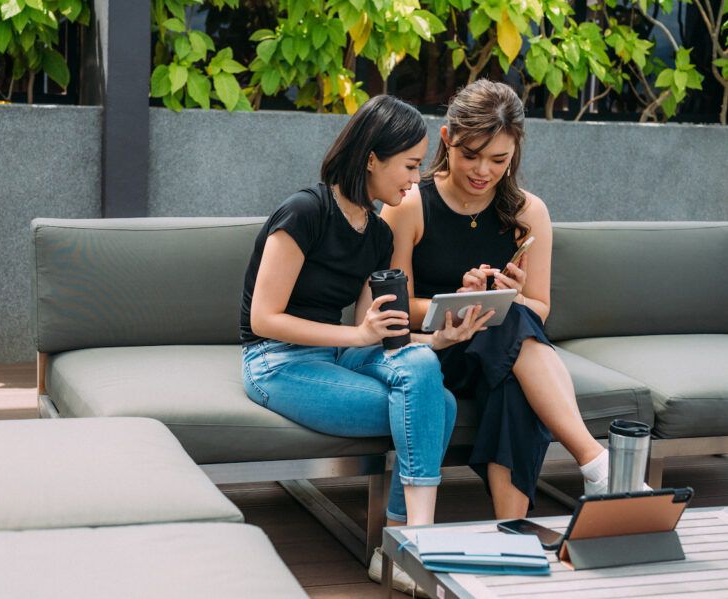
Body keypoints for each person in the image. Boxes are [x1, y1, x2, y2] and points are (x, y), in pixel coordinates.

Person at [239, 94, 491, 595]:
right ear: (372, 158)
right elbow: (264, 319)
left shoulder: (377, 234)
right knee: (435, 406)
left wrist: (438, 338)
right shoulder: (304, 212)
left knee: (426, 375)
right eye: (410, 165)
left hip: (334, 354)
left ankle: (404, 545)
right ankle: (408, 546)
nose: (416, 179)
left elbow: (371, 327)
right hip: (274, 361)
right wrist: (357, 336)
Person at [380, 79, 610, 521]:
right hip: (435, 351)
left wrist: (509, 297)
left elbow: (539, 308)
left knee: (514, 373)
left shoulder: (528, 211)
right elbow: (397, 307)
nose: (482, 170)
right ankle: (595, 462)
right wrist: (458, 303)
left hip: (499, 352)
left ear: (515, 151)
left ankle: (511, 527)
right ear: (447, 139)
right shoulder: (409, 205)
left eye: (498, 159)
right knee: (508, 328)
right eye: (470, 155)